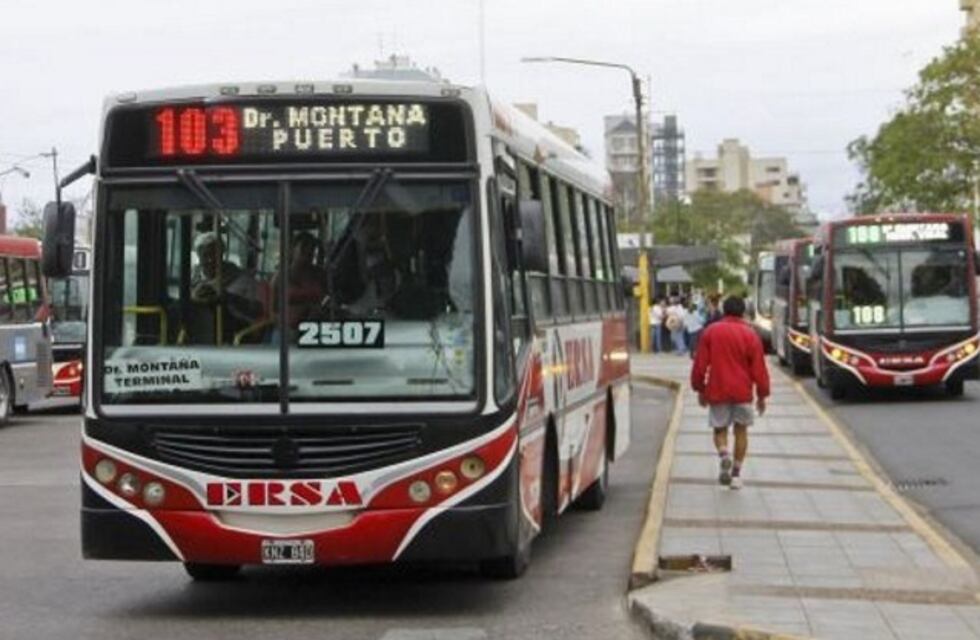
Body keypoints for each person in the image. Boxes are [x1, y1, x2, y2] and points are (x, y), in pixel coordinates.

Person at [690, 296, 770, 490]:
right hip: (743, 391)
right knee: (741, 431)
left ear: (724, 311)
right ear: (743, 312)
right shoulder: (751, 334)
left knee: (720, 429)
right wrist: (762, 395)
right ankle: (735, 475)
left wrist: (699, 388)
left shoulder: (711, 332)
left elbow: (700, 364)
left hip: (718, 389)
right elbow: (759, 368)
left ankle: (724, 454)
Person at [190, 232, 263, 343]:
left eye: (214, 255)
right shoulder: (191, 280)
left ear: (222, 255)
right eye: (205, 255)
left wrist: (228, 298)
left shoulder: (242, 279)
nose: (210, 260)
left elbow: (256, 310)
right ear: (199, 257)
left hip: (234, 335)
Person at [272, 232, 327, 329]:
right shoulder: (281, 277)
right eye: (303, 249)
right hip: (286, 328)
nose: (307, 254)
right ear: (293, 250)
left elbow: (328, 299)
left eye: (311, 251)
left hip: (314, 326)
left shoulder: (319, 274)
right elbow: (271, 310)